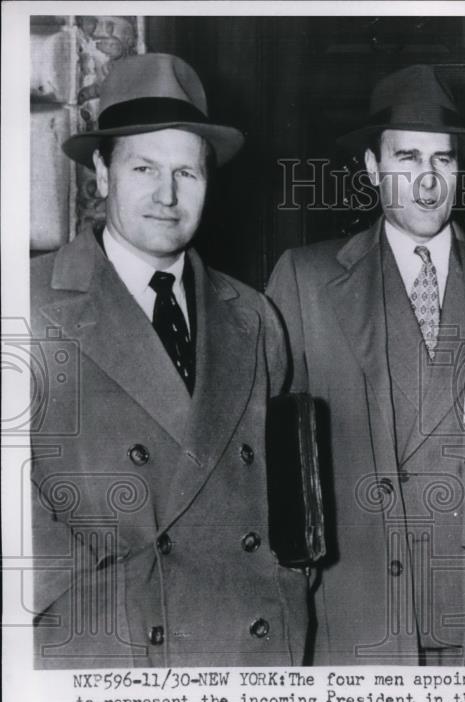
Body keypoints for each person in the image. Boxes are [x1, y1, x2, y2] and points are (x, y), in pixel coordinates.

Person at [267, 65, 465, 666]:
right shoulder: (305, 280)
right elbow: (277, 467)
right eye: (408, 159)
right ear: (370, 167)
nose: (429, 182)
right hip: (362, 604)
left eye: (444, 160)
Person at [30, 53, 309, 668]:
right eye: (144, 168)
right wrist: (66, 594)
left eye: (187, 172)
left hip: (248, 655)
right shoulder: (28, 304)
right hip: (107, 650)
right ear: (102, 173)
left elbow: (281, 494)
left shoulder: (256, 317)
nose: (166, 195)